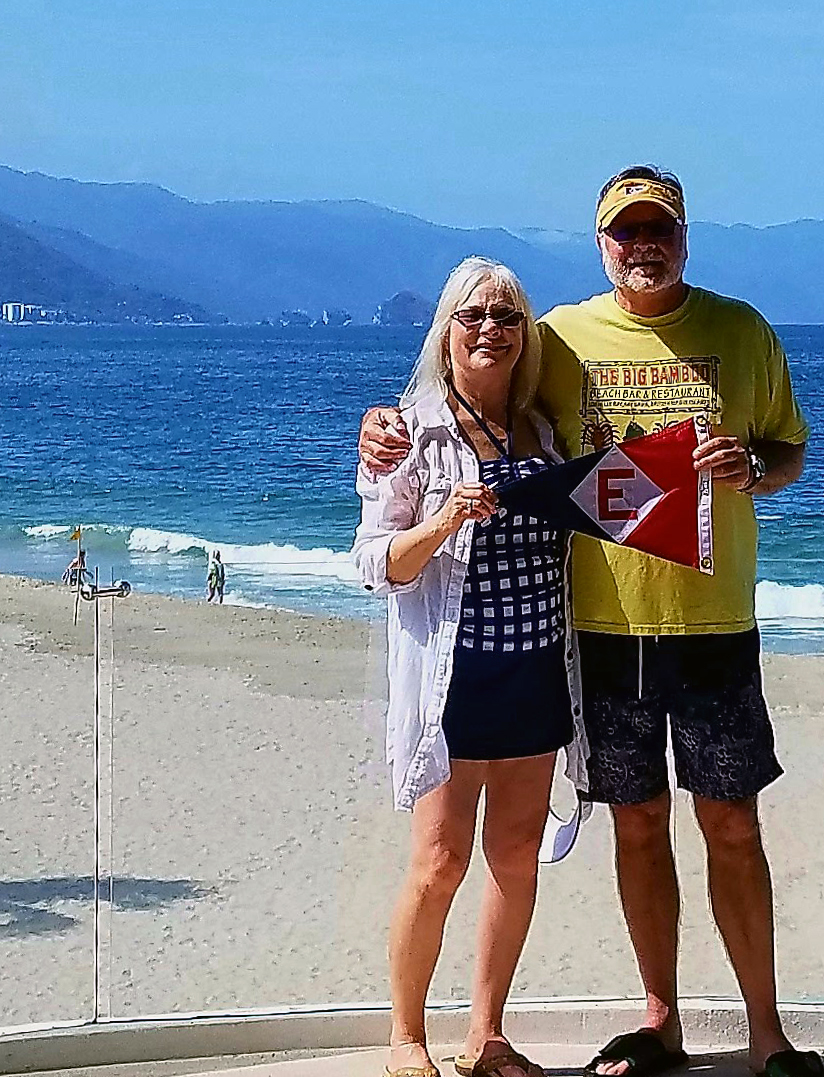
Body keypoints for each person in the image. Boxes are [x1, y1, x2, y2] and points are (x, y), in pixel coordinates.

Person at [360, 167, 820, 1077]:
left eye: (658, 230)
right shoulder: (562, 335)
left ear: (684, 237)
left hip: (714, 622)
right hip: (601, 631)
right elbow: (460, 410)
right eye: (624, 231)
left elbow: (789, 453)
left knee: (732, 825)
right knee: (636, 823)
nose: (642, 244)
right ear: (601, 242)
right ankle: (662, 1023)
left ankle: (767, 1034)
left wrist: (752, 470)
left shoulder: (742, 330)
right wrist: (382, 425)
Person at [353, 256, 589, 1077]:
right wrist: (445, 519)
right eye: (472, 315)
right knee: (439, 861)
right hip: (451, 683)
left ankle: (485, 1034)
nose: (489, 329)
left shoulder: (542, 426)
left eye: (505, 317)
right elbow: (376, 562)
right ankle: (405, 1034)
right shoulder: (405, 432)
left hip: (534, 673)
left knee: (514, 857)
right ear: (445, 330)